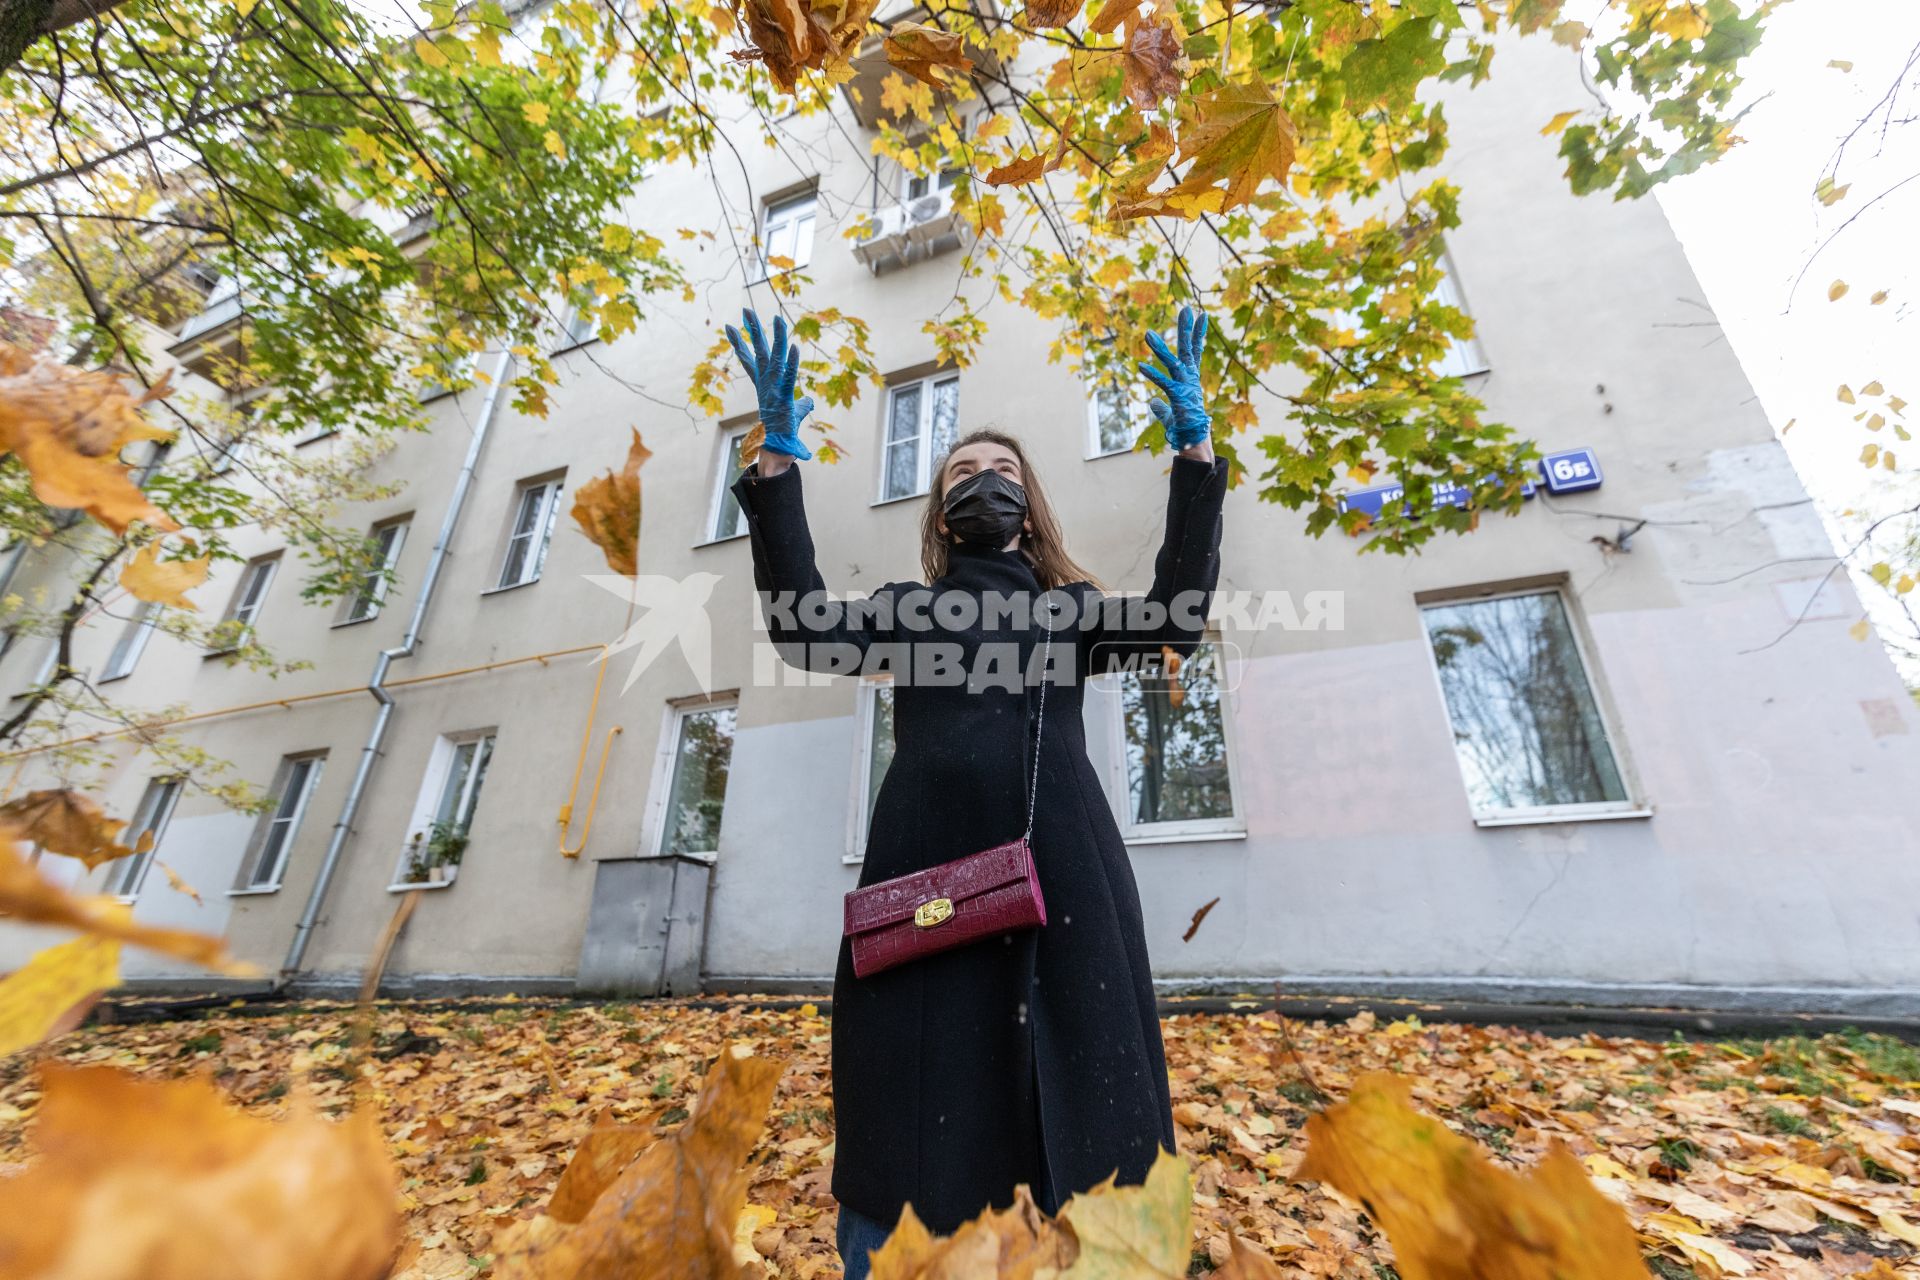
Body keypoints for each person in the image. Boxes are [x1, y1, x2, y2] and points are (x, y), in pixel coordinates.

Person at [724, 306, 1228, 1280]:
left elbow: (1179, 615)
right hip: (927, 877)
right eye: (962, 474)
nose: (983, 482)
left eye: (1001, 473)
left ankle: (1096, 1254)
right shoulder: (913, 610)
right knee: (916, 1110)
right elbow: (802, 630)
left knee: (1083, 1093)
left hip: (1066, 878)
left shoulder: (1071, 609)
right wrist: (778, 477)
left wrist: (1196, 459)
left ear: (1030, 506)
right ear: (939, 514)